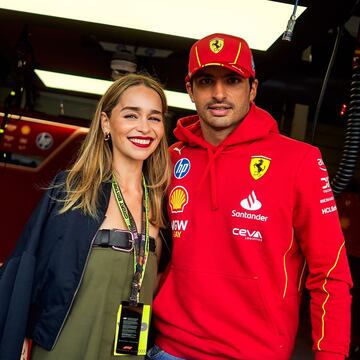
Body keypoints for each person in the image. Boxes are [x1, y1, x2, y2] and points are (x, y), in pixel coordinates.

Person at [148, 33, 353, 360]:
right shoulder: (171, 158)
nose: (218, 94)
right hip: (168, 349)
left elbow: (330, 274)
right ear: (190, 91)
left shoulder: (300, 161)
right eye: (205, 81)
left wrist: (330, 355)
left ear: (252, 89)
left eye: (232, 80)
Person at [0, 73, 171, 360]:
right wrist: (22, 334)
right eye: (131, 115)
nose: (144, 128)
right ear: (106, 123)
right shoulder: (72, 190)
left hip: (127, 349)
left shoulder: (163, 202)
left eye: (154, 118)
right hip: (65, 344)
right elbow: (31, 268)